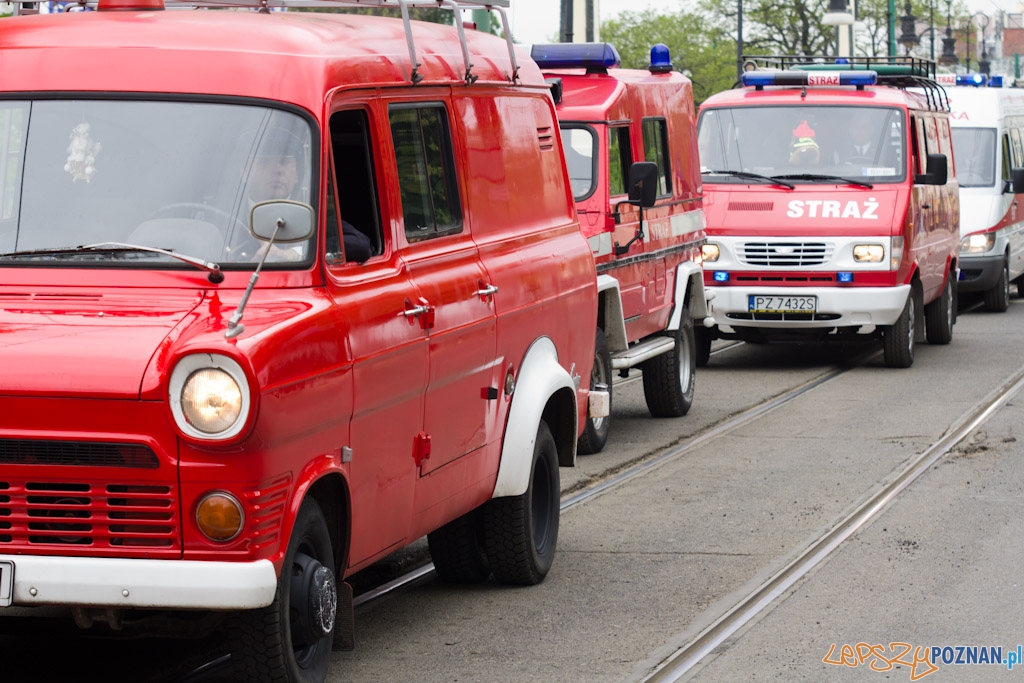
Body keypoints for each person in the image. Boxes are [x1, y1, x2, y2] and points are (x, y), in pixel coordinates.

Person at [241, 126, 371, 263]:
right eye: (265, 162)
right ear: (244, 173)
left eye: (285, 161)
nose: (278, 170)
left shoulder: (311, 211)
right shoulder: (226, 215)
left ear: (296, 174)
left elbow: (360, 245)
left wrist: (297, 254)